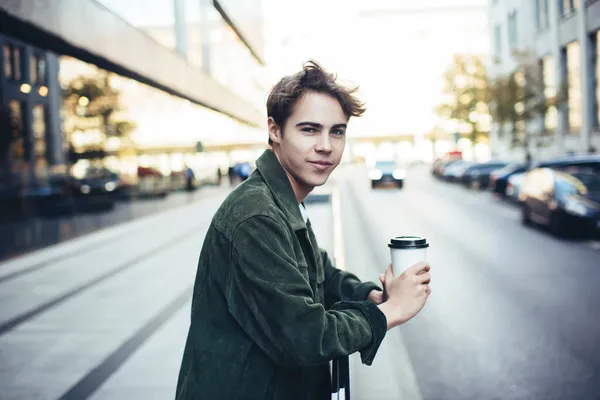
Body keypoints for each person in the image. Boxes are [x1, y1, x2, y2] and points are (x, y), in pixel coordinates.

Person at [175, 61, 431, 400]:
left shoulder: (283, 200)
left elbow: (321, 275)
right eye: (309, 130)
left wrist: (372, 295)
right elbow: (306, 337)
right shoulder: (255, 216)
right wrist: (389, 312)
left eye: (337, 131)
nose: (326, 145)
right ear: (275, 130)